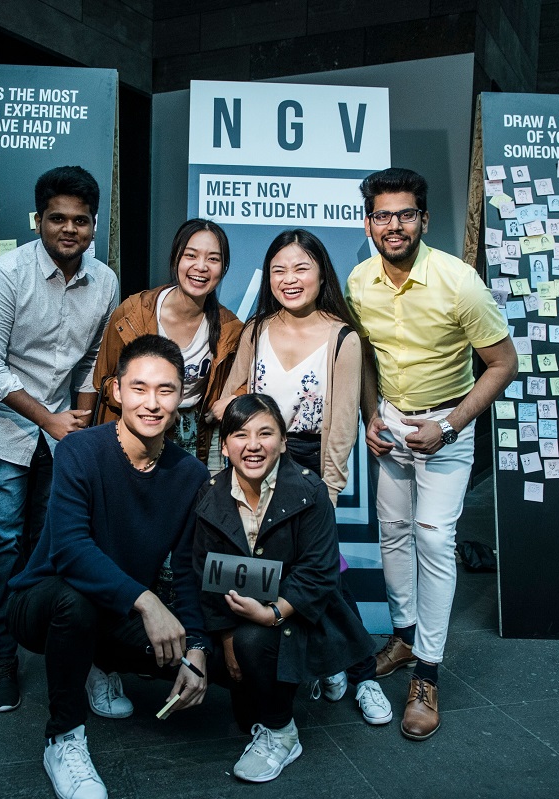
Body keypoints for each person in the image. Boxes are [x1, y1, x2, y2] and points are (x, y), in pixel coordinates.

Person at [346, 167, 517, 741]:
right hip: (391, 419)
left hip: (448, 421)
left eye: (405, 214)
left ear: (423, 218)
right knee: (391, 530)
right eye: (382, 215)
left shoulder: (458, 280)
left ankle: (428, 672)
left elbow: (503, 364)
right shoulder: (359, 280)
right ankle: (403, 631)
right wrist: (372, 412)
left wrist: (449, 425)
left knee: (434, 539)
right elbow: (365, 358)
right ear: (368, 221)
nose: (393, 225)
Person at [5, 335, 210, 799]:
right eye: (139, 388)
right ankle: (64, 738)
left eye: (165, 390)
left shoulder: (190, 475)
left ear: (182, 397)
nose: (152, 403)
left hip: (114, 613)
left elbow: (187, 569)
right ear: (116, 392)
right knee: (75, 601)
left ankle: (97, 661)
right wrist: (148, 602)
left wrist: (196, 646)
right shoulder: (81, 451)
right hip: (43, 602)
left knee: (203, 664)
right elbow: (70, 552)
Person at [210, 228, 388, 724]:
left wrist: (327, 490)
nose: (289, 279)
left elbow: (341, 427)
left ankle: (363, 675)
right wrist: (243, 418)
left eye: (301, 268)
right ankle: (318, 666)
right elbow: (228, 398)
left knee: (322, 572)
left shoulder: (342, 338)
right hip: (252, 460)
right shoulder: (256, 329)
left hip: (308, 465)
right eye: (279, 270)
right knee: (274, 576)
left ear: (320, 273)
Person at [0, 165, 119, 714]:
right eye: (58, 218)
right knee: (1, 544)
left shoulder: (104, 282)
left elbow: (90, 363)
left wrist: (74, 429)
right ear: (39, 220)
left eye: (80, 220)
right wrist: (46, 420)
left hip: (60, 432)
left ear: (94, 224)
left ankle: (49, 644)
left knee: (47, 544)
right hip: (3, 430)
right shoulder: (6, 275)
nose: (69, 229)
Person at [192, 394, 376, 783]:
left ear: (285, 441)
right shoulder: (210, 493)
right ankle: (293, 676)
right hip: (241, 614)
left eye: (265, 433)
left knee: (255, 642)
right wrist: (225, 640)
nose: (253, 445)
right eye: (240, 435)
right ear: (224, 445)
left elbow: (319, 572)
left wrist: (273, 612)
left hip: (305, 609)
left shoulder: (310, 492)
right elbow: (206, 573)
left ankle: (282, 733)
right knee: (243, 710)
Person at [92, 219, 243, 466]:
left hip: (195, 435)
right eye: (191, 255)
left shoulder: (230, 329)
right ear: (175, 259)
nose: (201, 266)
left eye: (213, 259)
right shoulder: (133, 314)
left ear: (223, 268)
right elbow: (104, 379)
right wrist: (142, 399)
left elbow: (244, 384)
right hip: (138, 426)